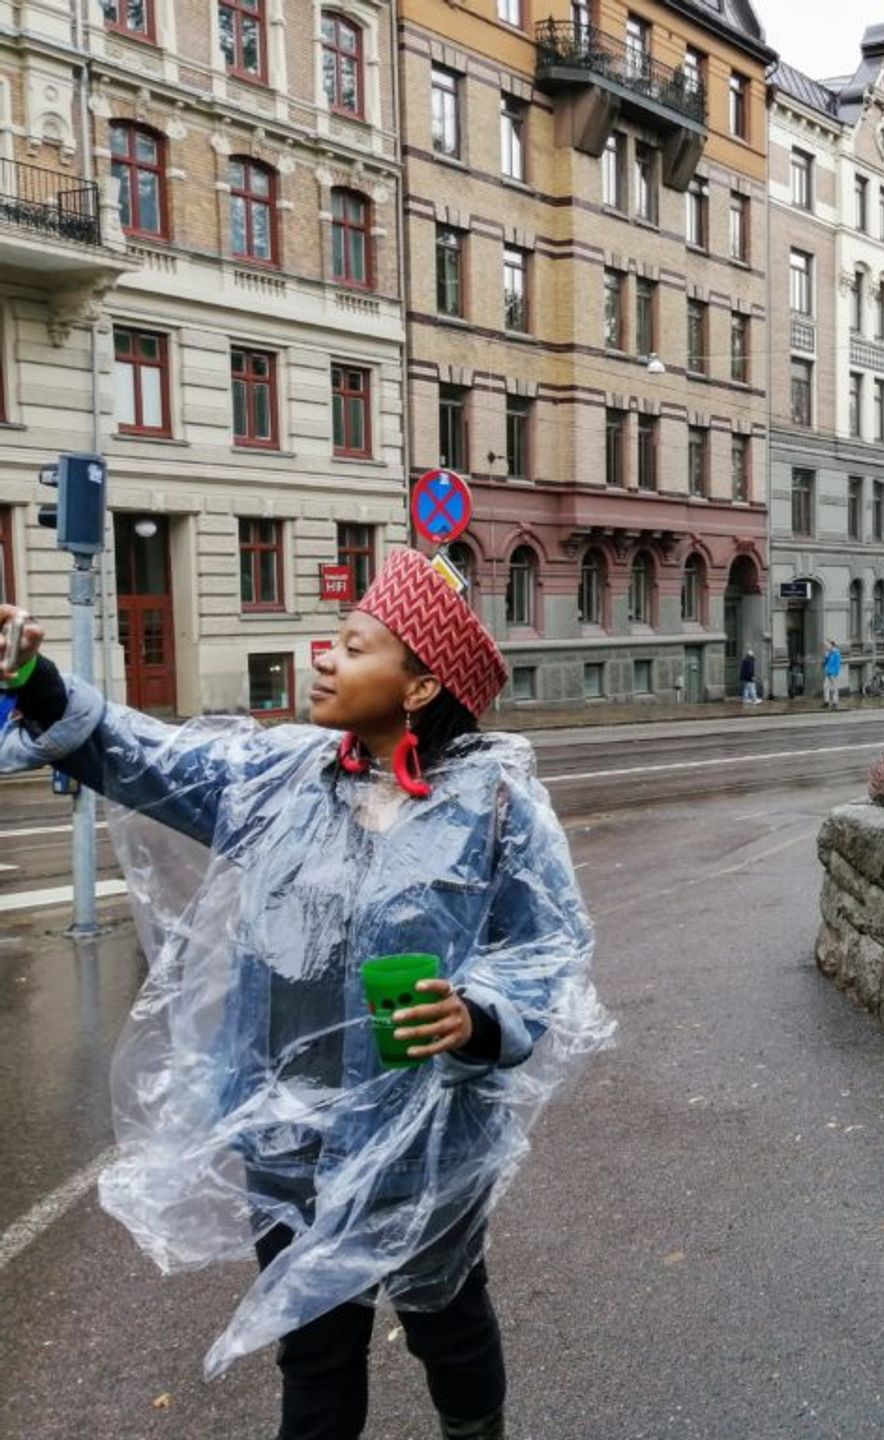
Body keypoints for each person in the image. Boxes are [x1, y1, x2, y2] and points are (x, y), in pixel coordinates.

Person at [0, 549, 612, 1440]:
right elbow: (150, 759)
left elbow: (548, 944)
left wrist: (478, 1016)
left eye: (356, 647)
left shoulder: (496, 805)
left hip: (424, 1134)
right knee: (314, 1341)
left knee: (444, 1314)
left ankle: (476, 1433)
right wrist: (40, 685)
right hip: (287, 1129)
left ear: (416, 688)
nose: (325, 656)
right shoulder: (281, 777)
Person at [822, 639, 843, 710]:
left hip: (833, 674)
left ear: (831, 645)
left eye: (827, 645)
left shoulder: (836, 653)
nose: (826, 647)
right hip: (828, 673)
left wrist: (834, 673)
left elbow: (837, 665)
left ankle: (835, 702)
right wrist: (826, 657)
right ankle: (826, 701)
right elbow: (826, 663)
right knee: (825, 687)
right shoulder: (829, 653)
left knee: (834, 688)